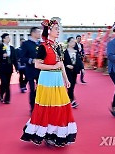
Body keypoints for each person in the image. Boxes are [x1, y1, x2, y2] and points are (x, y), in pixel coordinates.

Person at [20, 19, 77, 147]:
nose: (58, 31)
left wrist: (66, 79)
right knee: (48, 107)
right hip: (47, 80)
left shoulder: (58, 46)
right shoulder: (43, 46)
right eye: (56, 29)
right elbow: (37, 64)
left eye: (58, 29)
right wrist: (53, 67)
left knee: (61, 106)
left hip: (57, 79)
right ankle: (47, 134)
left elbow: (61, 64)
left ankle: (55, 133)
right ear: (49, 31)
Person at [20, 27, 41, 112]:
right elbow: (22, 58)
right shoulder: (26, 44)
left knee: (40, 89)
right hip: (31, 70)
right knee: (32, 90)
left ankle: (39, 106)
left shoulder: (40, 44)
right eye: (38, 32)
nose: (40, 34)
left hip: (41, 70)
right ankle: (32, 108)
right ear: (33, 33)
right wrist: (31, 60)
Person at [0, 33, 18, 104]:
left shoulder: (12, 48)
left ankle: (7, 99)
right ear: (4, 39)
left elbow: (14, 59)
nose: (9, 39)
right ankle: (1, 94)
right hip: (2, 67)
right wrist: (2, 56)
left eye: (9, 37)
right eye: (7, 37)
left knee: (7, 83)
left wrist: (17, 67)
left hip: (9, 67)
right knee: (4, 82)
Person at [64, 37, 84, 108]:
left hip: (75, 70)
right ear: (68, 42)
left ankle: (67, 98)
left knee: (72, 85)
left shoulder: (76, 51)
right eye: (72, 41)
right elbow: (62, 62)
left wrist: (82, 68)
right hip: (67, 71)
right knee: (70, 85)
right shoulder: (65, 52)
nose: (73, 43)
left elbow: (79, 61)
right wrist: (67, 65)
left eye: (74, 41)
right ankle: (72, 101)